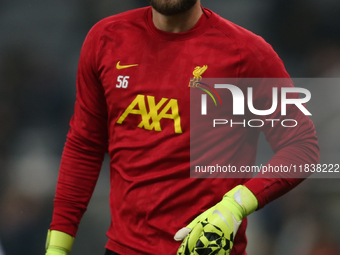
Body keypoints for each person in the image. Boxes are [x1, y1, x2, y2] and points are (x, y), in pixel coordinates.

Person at [45, 0, 319, 254]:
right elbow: (85, 145)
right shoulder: (106, 38)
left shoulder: (246, 53)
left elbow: (302, 145)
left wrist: (236, 205)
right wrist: (57, 246)